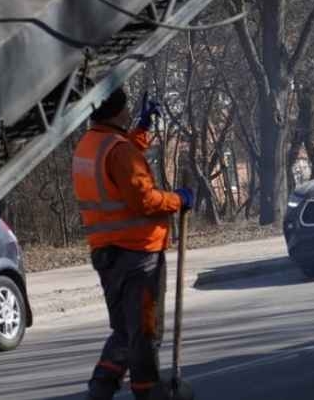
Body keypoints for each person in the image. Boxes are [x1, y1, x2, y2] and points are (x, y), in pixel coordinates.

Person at [74, 88, 194, 400]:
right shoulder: (118, 150)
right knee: (144, 331)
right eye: (127, 110)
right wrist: (178, 200)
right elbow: (143, 198)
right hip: (138, 255)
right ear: (117, 112)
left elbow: (119, 172)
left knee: (126, 330)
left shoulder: (89, 146)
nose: (129, 113)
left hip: (107, 254)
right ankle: (149, 392)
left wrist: (141, 131)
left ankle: (101, 388)